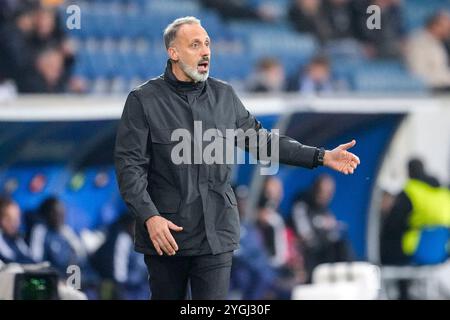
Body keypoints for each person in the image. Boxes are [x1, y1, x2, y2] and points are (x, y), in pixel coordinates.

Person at [114, 16, 360, 300]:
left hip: (217, 233)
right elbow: (129, 168)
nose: (205, 51)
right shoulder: (143, 100)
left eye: (207, 44)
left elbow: (263, 143)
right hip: (168, 235)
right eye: (195, 45)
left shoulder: (224, 96)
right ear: (174, 52)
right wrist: (150, 217)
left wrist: (321, 156)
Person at [380, 159, 450, 265]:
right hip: (441, 252)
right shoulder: (444, 193)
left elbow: (393, 222)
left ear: (408, 172)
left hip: (413, 250)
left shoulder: (411, 191)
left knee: (389, 238)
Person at [289, 174, 354, 282]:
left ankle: (350, 275)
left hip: (323, 252)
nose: (326, 196)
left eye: (329, 193)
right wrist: (324, 229)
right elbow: (307, 237)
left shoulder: (324, 209)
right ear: (315, 189)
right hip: (307, 254)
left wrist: (331, 228)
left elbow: (333, 233)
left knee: (341, 244)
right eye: (322, 191)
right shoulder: (301, 205)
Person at [405, 11, 450, 92]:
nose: (448, 30)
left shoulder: (439, 42)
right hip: (430, 90)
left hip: (443, 85)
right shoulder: (418, 42)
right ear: (435, 26)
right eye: (446, 27)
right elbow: (419, 73)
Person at [0, 195, 34, 264]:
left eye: (17, 217)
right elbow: (9, 260)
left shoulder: (17, 237)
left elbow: (30, 258)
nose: (15, 223)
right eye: (9, 218)